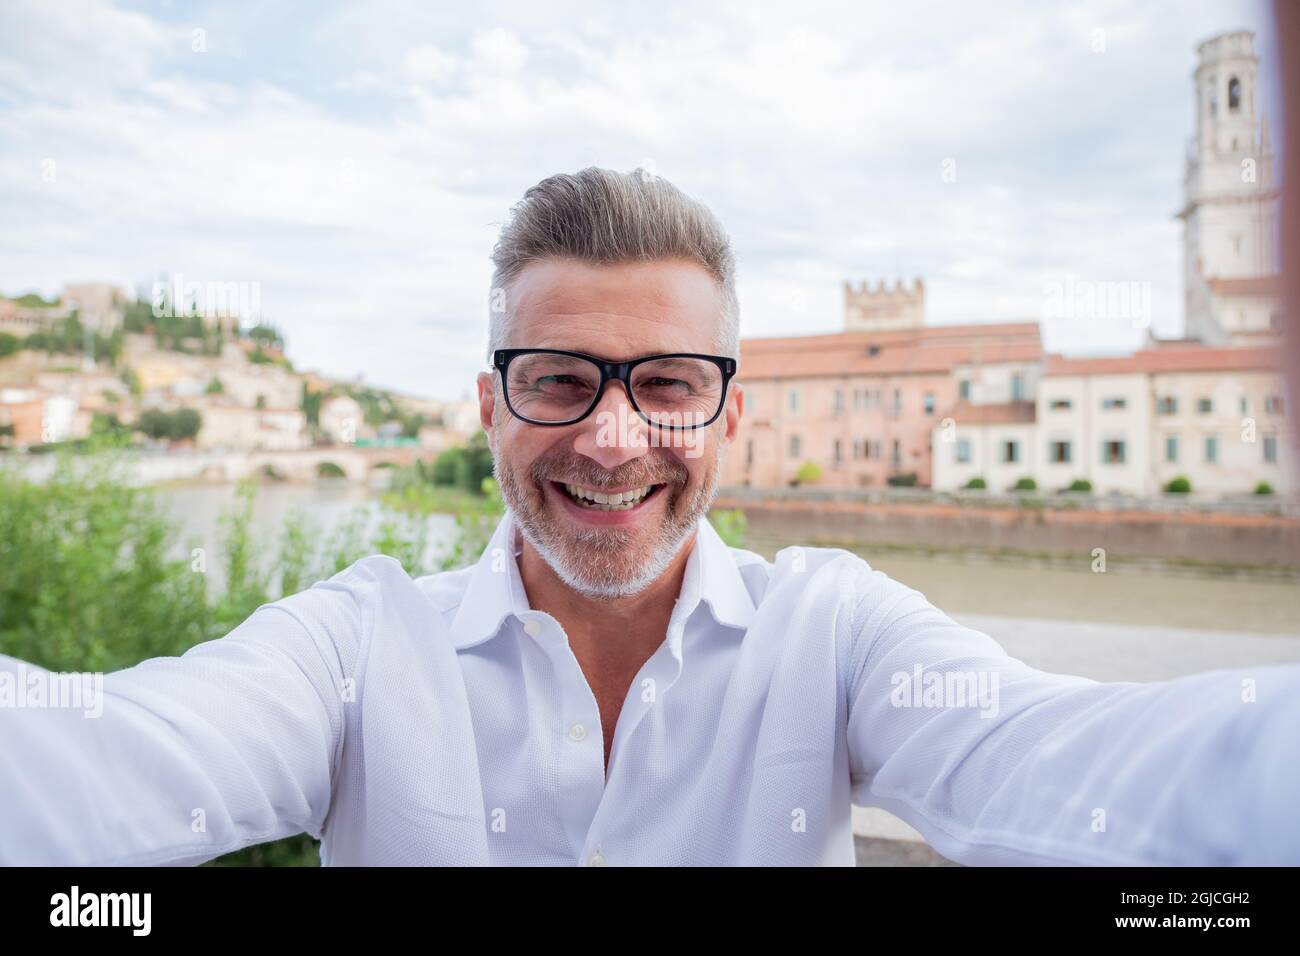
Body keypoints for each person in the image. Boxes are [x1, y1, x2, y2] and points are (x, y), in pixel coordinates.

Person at [2, 167, 1297, 866]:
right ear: (490, 410)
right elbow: (117, 761)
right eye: (560, 380)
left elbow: (1070, 765)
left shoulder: (836, 634)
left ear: (733, 416)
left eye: (669, 385)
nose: (614, 439)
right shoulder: (354, 651)